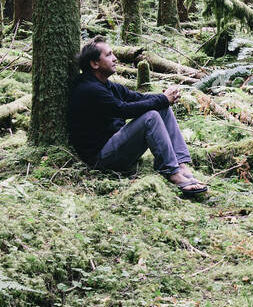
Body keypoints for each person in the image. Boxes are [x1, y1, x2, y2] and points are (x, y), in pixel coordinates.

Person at [67, 38, 208, 198]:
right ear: (94, 64)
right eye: (109, 55)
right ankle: (171, 172)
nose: (115, 58)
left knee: (161, 107)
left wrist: (163, 97)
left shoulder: (107, 85)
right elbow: (123, 110)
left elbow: (137, 98)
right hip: (101, 158)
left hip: (116, 146)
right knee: (151, 116)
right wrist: (161, 99)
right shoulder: (88, 89)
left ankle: (181, 165)